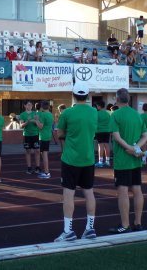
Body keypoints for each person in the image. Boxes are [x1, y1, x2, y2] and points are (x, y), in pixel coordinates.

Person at [54, 82, 98, 242]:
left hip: (70, 158)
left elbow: (60, 133)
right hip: (88, 158)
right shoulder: (94, 112)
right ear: (87, 96)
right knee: (89, 192)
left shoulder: (67, 113)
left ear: (73, 95)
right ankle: (90, 228)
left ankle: (68, 231)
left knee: (68, 194)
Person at [110, 87, 147, 233]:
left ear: (117, 99)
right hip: (135, 159)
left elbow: (116, 136)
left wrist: (129, 148)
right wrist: (136, 148)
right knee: (137, 189)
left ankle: (125, 225)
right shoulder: (137, 115)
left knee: (123, 191)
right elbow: (146, 136)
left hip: (122, 159)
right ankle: (137, 223)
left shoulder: (115, 115)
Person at [20, 100, 41, 174]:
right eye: (28, 105)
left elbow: (39, 124)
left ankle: (37, 167)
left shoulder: (35, 113)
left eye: (31, 105)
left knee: (37, 151)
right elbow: (21, 125)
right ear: (25, 106)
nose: (30, 106)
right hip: (27, 135)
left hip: (35, 134)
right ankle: (29, 167)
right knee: (28, 151)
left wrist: (36, 120)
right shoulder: (22, 114)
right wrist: (27, 121)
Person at [37, 100, 53, 178]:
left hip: (43, 136)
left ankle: (47, 172)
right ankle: (46, 171)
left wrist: (36, 120)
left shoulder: (43, 115)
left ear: (42, 107)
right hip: (48, 135)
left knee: (44, 154)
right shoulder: (50, 114)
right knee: (44, 154)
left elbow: (40, 126)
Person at [95, 100, 112, 168]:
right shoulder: (107, 114)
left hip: (99, 131)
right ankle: (107, 161)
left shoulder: (97, 113)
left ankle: (100, 161)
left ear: (99, 106)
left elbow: (94, 122)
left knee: (100, 146)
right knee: (107, 145)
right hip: (107, 131)